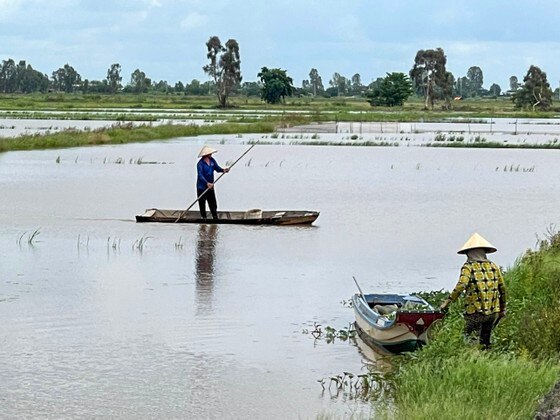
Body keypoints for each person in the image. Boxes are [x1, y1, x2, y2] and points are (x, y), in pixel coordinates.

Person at [440, 233, 506, 349]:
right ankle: (487, 359)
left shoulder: (468, 267)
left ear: (469, 253)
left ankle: (472, 359)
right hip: (493, 311)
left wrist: (448, 302)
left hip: (475, 311)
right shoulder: (493, 266)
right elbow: (502, 288)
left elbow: (461, 285)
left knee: (469, 337)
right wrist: (502, 308)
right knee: (485, 340)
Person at [196, 145, 229, 220]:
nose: (211, 154)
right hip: (202, 187)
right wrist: (207, 183)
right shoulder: (200, 164)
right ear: (206, 154)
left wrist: (223, 170)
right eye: (210, 153)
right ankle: (204, 219)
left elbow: (217, 169)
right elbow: (200, 176)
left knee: (213, 204)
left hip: (210, 187)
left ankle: (215, 218)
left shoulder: (212, 160)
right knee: (202, 204)